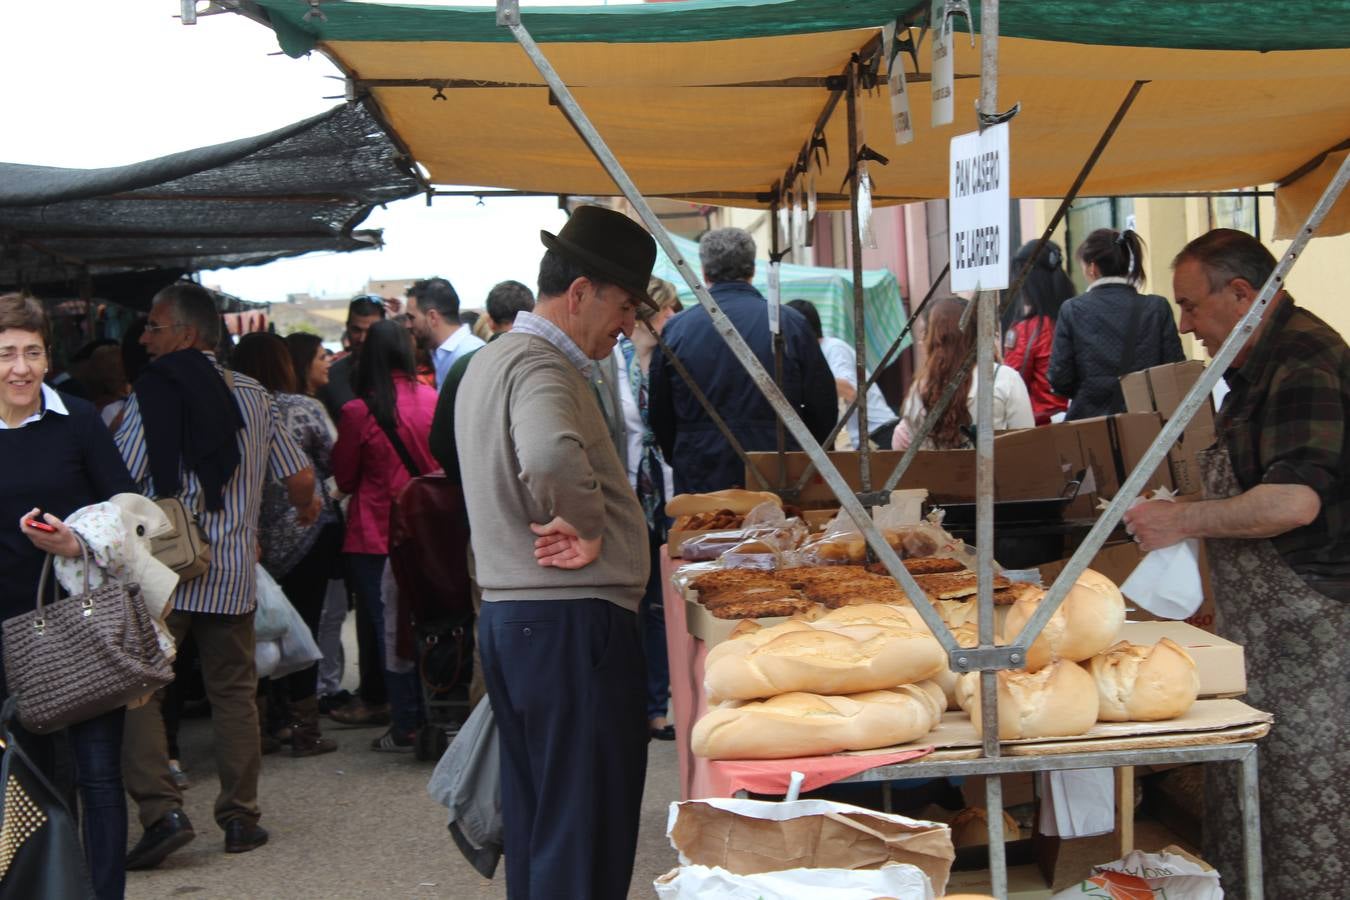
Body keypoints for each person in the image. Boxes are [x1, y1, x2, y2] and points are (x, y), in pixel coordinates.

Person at [1123, 228, 1348, 898]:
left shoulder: (1304, 359)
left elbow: (1293, 502)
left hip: (1313, 636)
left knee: (1306, 812)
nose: (1187, 327)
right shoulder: (1254, 368)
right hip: (1263, 635)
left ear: (1243, 293)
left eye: (1191, 306)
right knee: (1254, 800)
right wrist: (1187, 521)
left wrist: (1185, 519)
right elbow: (1251, 486)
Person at [455, 205, 654, 900]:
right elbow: (544, 453)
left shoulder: (492, 359)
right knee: (581, 828)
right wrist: (589, 521)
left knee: (546, 825)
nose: (628, 324)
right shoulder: (543, 365)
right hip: (570, 623)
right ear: (580, 294)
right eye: (625, 304)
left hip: (520, 618)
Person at [116, 282, 319, 868]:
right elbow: (299, 479)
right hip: (231, 571)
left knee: (141, 689)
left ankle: (163, 813)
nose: (144, 339)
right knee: (235, 694)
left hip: (162, 568)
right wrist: (297, 513)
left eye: (153, 327)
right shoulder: (256, 395)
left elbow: (122, 476)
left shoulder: (148, 393)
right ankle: (239, 819)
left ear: (186, 332)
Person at [0, 293, 138, 900]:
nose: (20, 368)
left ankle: (102, 893)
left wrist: (75, 542)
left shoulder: (78, 420)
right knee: (20, 777)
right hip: (3, 634)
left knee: (98, 775)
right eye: (6, 353)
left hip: (78, 625)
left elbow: (130, 511)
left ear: (47, 357)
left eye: (32, 352)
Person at [649, 227, 835, 493]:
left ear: (703, 271)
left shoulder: (677, 329)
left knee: (707, 534)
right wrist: (803, 453)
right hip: (779, 469)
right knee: (779, 535)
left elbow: (659, 413)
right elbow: (823, 405)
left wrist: (683, 453)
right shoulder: (790, 324)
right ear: (752, 270)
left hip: (701, 471)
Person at [231, 333, 341, 757]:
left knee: (253, 632)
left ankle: (261, 725)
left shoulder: (230, 409)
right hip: (307, 531)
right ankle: (304, 729)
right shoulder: (304, 408)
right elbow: (332, 462)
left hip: (248, 538)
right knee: (303, 629)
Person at [331, 319, 439, 751]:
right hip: (429, 535)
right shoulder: (432, 399)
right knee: (430, 623)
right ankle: (436, 712)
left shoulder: (358, 412)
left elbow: (344, 476)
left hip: (375, 536)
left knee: (390, 632)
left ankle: (406, 723)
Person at [428, 279, 536, 708]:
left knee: (489, 624)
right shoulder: (548, 361)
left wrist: (473, 480)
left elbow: (439, 442)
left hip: (486, 520)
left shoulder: (467, 365)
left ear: (490, 319)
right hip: (549, 527)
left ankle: (488, 726)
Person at [616, 277, 681, 740]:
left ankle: (657, 706)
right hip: (627, 490)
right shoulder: (609, 362)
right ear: (648, 313)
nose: (675, 318)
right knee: (632, 600)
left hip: (670, 490)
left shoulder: (673, 360)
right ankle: (631, 700)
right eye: (669, 309)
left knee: (662, 603)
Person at [1048, 228, 1185, 419]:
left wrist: (1091, 392)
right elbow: (1175, 369)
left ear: (1092, 268)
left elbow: (1059, 378)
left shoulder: (1072, 310)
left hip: (1090, 428)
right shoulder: (1156, 307)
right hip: (1147, 426)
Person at [892, 296, 1034, 451]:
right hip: (998, 474)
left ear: (934, 341)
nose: (922, 343)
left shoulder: (919, 390)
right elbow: (1027, 448)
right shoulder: (1005, 379)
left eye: (925, 335)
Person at [786, 298, 899, 449]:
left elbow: (850, 391)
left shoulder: (833, 348)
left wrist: (808, 377)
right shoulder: (812, 355)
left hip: (879, 433)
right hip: (860, 442)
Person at [1002, 240, 1078, 424]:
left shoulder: (1027, 331)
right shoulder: (1079, 315)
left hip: (1043, 423)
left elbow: (1011, 383)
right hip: (1083, 416)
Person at [404, 277, 485, 389]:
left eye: (411, 318)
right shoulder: (439, 354)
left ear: (432, 317)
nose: (408, 325)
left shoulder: (470, 354)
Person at [317, 295, 385, 421]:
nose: (363, 339)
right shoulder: (330, 378)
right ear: (347, 328)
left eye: (370, 331)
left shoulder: (399, 375)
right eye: (356, 330)